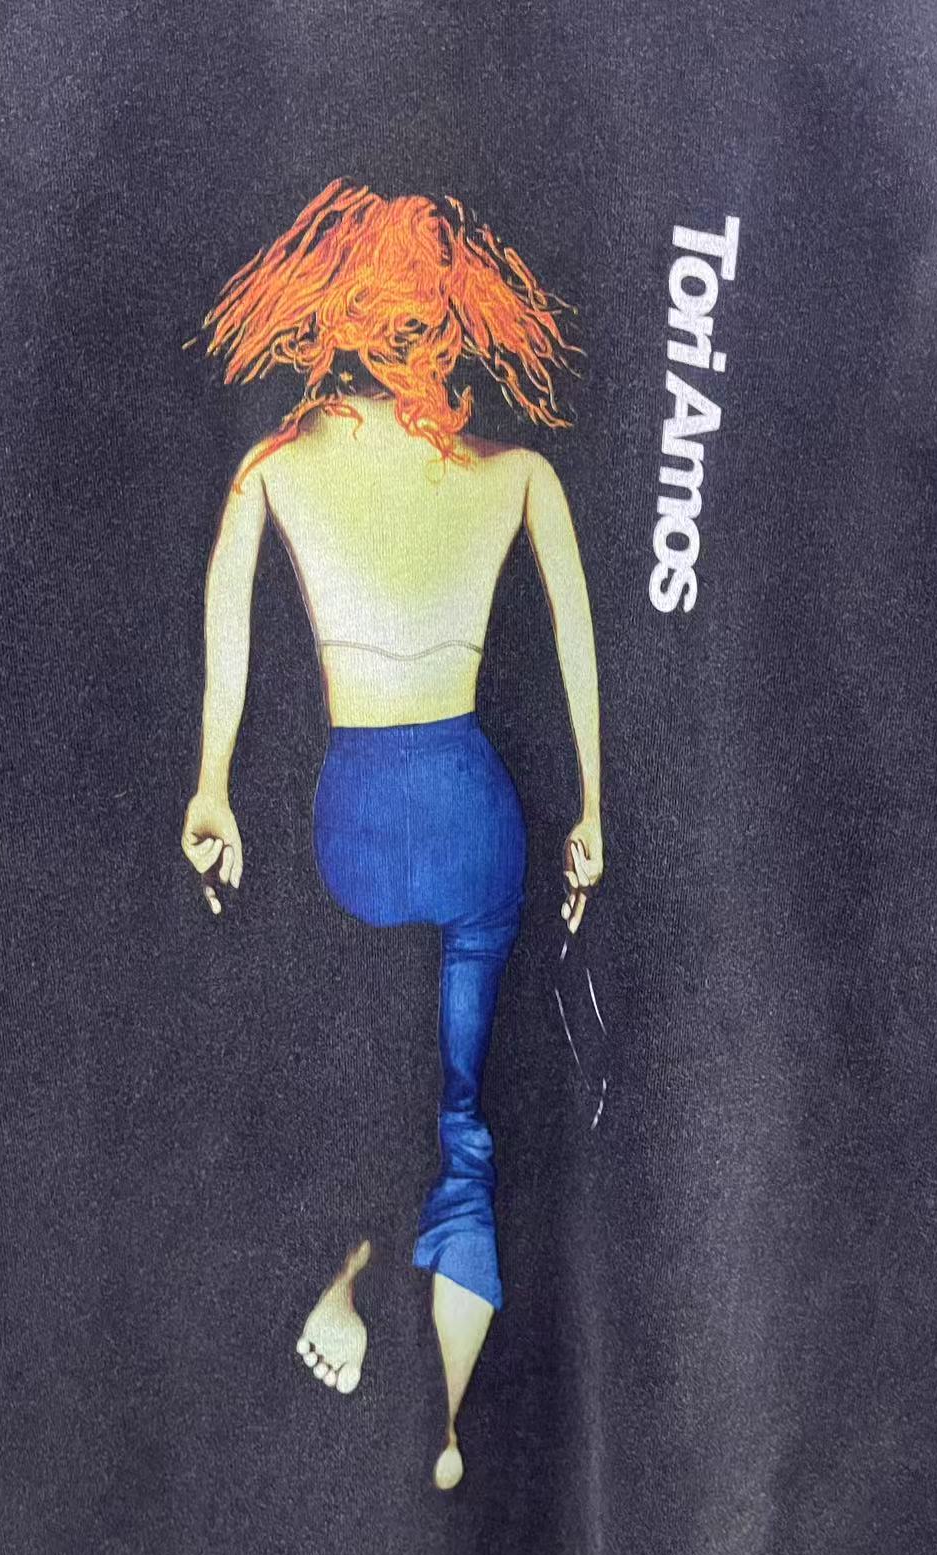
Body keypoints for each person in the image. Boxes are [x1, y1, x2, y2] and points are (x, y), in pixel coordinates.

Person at [180, 177, 603, 1489]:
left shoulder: (276, 468)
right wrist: (593, 810)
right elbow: (578, 644)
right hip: (475, 808)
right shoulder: (517, 475)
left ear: (335, 317)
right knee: (462, 1116)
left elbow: (230, 640)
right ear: (456, 319)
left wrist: (212, 788)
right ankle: (449, 1426)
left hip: (357, 820)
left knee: (359, 1072)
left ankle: (355, 1269)